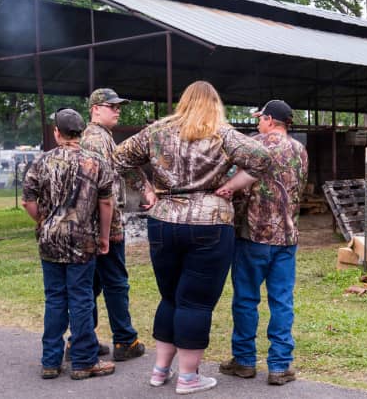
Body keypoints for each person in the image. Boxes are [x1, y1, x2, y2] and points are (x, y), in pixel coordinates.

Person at [113, 80, 270, 394]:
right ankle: (188, 377)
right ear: (215, 105)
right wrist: (233, 185)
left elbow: (119, 157)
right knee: (196, 303)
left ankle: (160, 371)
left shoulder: (157, 131)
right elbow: (262, 158)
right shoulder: (222, 133)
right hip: (209, 222)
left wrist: (144, 187)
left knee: (171, 297)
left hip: (162, 220)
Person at [217, 99, 308, 386]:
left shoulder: (253, 145)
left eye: (260, 118)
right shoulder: (300, 150)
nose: (258, 122)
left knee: (246, 299)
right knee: (282, 301)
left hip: (252, 236)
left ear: (269, 119)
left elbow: (235, 183)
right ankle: (280, 366)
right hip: (286, 237)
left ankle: (244, 361)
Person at [22, 108, 117, 380]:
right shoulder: (96, 161)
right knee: (81, 298)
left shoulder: (41, 162)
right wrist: (104, 235)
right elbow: (106, 202)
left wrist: (43, 221)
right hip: (83, 240)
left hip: (50, 240)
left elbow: (28, 200)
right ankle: (83, 361)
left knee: (54, 299)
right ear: (81, 133)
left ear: (57, 132)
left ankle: (50, 362)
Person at [80, 88, 152, 362]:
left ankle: (82, 339)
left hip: (93, 224)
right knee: (116, 282)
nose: (117, 110)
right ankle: (124, 339)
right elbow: (103, 189)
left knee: (93, 284)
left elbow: (125, 164)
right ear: (95, 109)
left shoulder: (101, 138)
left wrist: (144, 187)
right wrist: (111, 230)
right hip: (103, 224)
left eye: (118, 105)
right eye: (112, 106)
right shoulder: (97, 140)